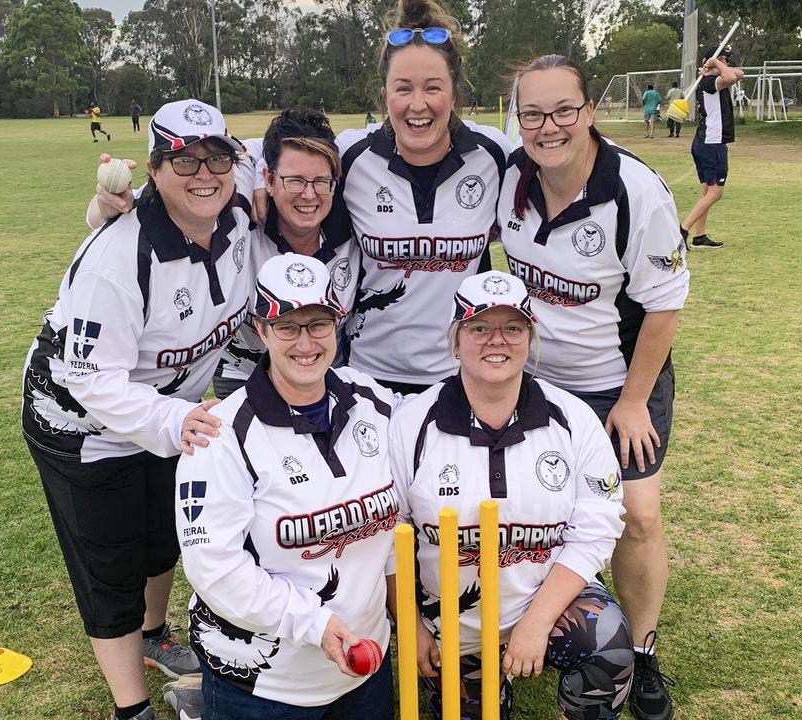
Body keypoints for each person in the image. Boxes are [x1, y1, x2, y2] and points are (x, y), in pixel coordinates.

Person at [21, 99, 252, 720]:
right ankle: (133, 707)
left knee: (163, 533)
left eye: (217, 158)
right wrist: (174, 422)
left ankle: (155, 635)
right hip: (78, 423)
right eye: (184, 160)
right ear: (153, 168)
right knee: (110, 565)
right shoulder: (119, 256)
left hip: (165, 409)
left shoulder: (239, 208)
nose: (205, 174)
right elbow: (92, 381)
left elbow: (284, 157)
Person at [501, 54, 690, 720]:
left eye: (562, 111)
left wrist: (634, 401)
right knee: (537, 507)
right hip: (539, 384)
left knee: (637, 514)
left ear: (589, 112)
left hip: (619, 384)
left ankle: (640, 653)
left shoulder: (635, 192)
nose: (547, 126)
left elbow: (664, 307)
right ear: (516, 117)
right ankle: (531, 624)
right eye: (532, 113)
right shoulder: (507, 173)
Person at [389, 271, 633, 720]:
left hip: (544, 601)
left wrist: (537, 623)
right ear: (455, 341)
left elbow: (596, 530)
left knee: (607, 644)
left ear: (530, 336)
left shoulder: (574, 419)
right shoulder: (411, 423)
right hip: (450, 620)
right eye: (478, 328)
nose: (496, 340)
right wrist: (410, 626)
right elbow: (388, 535)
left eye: (513, 328)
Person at [172, 253, 398, 720]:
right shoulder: (220, 432)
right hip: (262, 682)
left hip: (363, 663)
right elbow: (215, 569)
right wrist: (313, 624)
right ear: (261, 329)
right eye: (287, 326)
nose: (306, 342)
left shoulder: (371, 400)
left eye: (318, 323)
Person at [256, 0, 510, 397]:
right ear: (384, 95)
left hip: (462, 375)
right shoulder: (354, 155)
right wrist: (253, 173)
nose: (417, 104)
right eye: (403, 88)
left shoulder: (492, 153)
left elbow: (561, 152)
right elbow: (274, 149)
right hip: (367, 376)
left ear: (455, 94)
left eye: (433, 87)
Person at [212, 108, 360, 399]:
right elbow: (172, 197)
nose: (308, 194)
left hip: (323, 369)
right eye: (294, 180)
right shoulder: (240, 218)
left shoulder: (356, 223)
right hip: (243, 371)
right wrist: (104, 206)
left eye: (320, 181)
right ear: (268, 179)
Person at [680, 47, 743, 250]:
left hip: (705, 142)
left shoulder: (716, 80)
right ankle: (682, 231)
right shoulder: (709, 83)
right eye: (722, 59)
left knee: (706, 191)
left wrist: (716, 63)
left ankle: (700, 236)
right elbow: (732, 77)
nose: (725, 62)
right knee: (715, 193)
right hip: (711, 144)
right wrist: (714, 64)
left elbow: (738, 73)